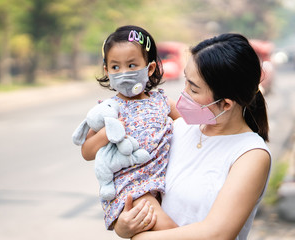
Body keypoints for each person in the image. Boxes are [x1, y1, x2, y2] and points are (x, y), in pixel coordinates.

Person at [114, 33, 272, 240]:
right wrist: (123, 226)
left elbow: (217, 234)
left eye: (194, 89)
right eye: (186, 81)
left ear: (226, 103)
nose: (184, 93)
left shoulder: (251, 155)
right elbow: (139, 187)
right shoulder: (177, 129)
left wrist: (141, 238)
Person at [80, 25, 179, 231]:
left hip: (162, 183)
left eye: (132, 65)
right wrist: (106, 134)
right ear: (107, 71)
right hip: (131, 189)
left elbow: (190, 130)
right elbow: (87, 152)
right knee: (171, 232)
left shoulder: (162, 103)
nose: (124, 73)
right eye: (116, 67)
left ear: (149, 69)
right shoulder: (108, 110)